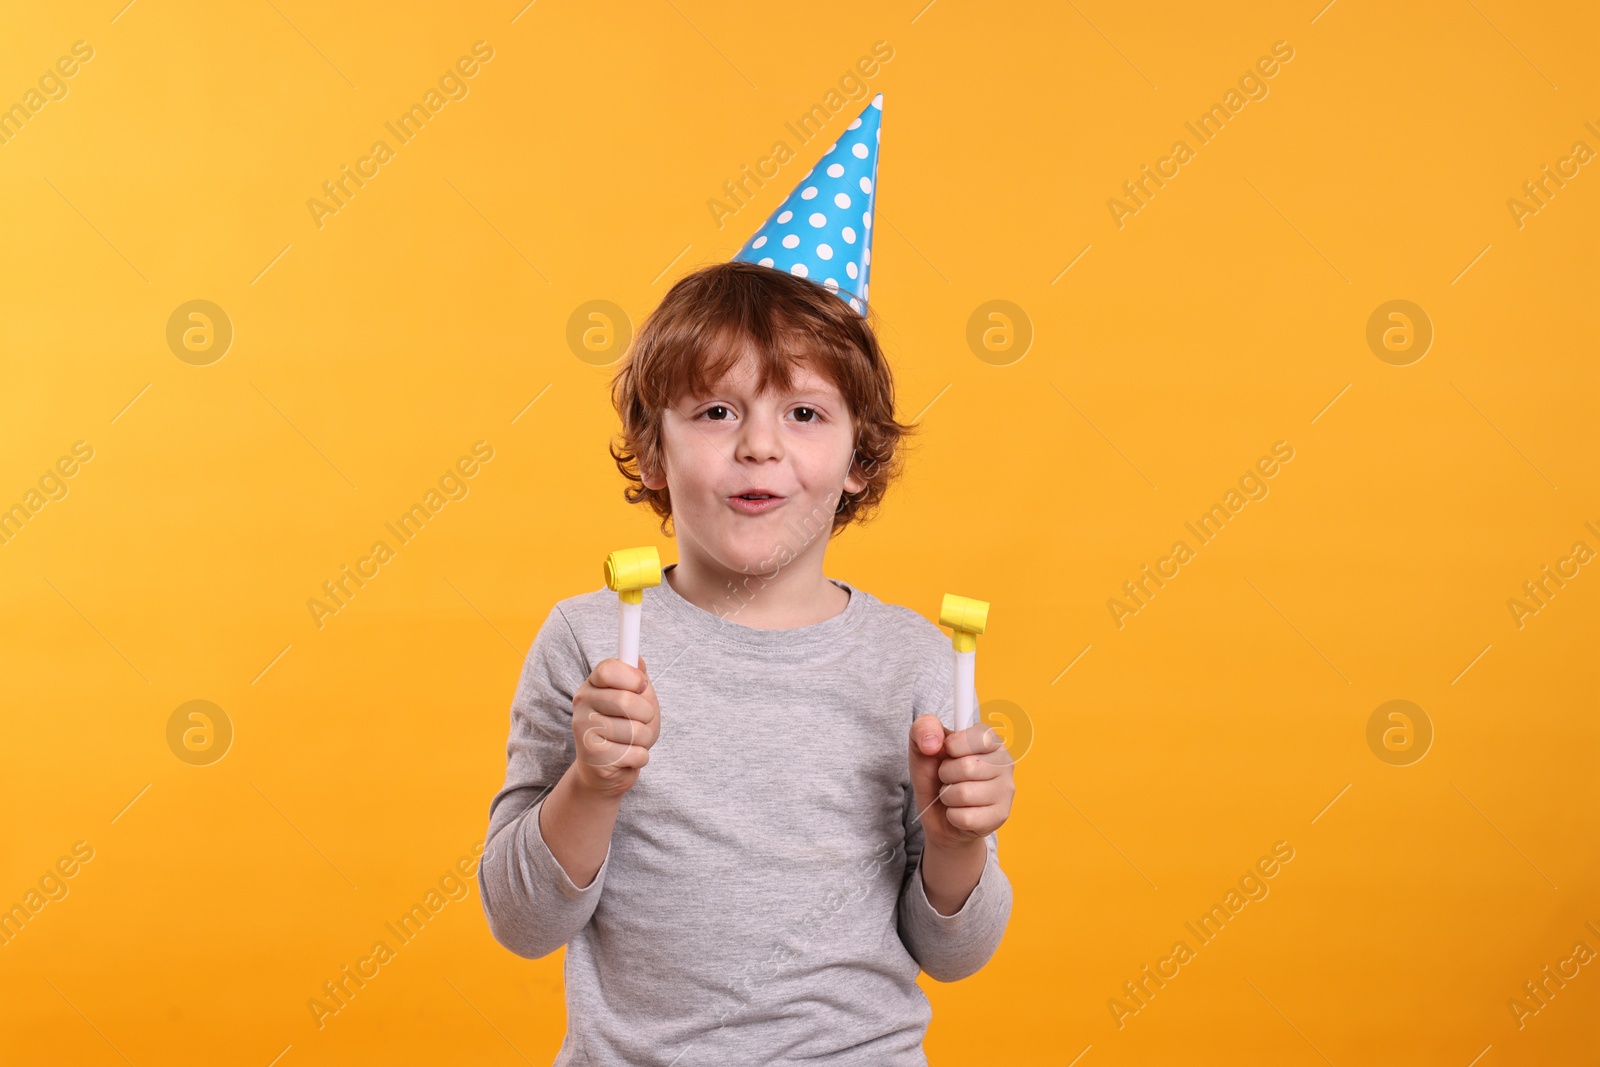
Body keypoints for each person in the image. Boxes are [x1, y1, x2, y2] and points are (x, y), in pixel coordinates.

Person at [478, 94, 1014, 1066]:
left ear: (861, 456)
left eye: (804, 415)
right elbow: (519, 920)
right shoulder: (590, 642)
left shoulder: (911, 662)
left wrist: (958, 837)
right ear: (651, 451)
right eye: (717, 411)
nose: (760, 446)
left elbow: (956, 951)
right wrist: (593, 784)